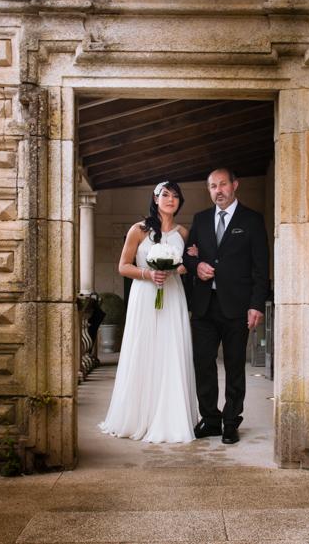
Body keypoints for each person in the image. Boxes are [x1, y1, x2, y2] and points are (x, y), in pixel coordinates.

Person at [99, 181, 199, 443]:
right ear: (155, 199)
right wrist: (147, 273)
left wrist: (182, 266)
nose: (170, 199)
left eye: (176, 196)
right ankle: (137, 415)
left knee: (171, 350)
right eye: (165, 194)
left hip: (173, 295)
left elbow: (185, 266)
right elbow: (123, 266)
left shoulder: (183, 233)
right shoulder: (138, 230)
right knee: (144, 349)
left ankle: (171, 417)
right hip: (144, 296)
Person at [184, 168, 270, 444]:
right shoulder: (200, 219)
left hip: (237, 307)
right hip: (204, 306)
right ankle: (210, 419)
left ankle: (231, 421)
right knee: (203, 364)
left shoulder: (253, 220)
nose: (218, 190)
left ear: (235, 184)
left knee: (234, 366)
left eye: (222, 184)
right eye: (212, 186)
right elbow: (187, 256)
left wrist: (256, 304)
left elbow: (260, 268)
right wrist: (198, 266)